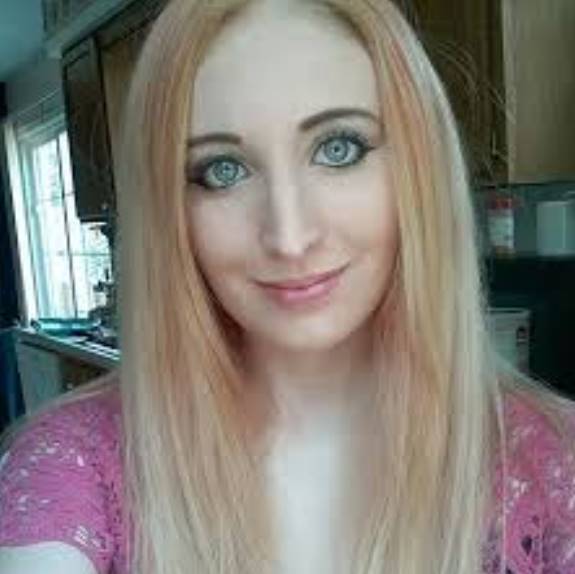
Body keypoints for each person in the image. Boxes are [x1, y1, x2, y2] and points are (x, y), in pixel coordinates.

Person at [1, 0, 575, 572]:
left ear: (419, 168)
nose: (290, 237)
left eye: (338, 148)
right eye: (223, 170)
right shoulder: (73, 459)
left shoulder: (554, 463)